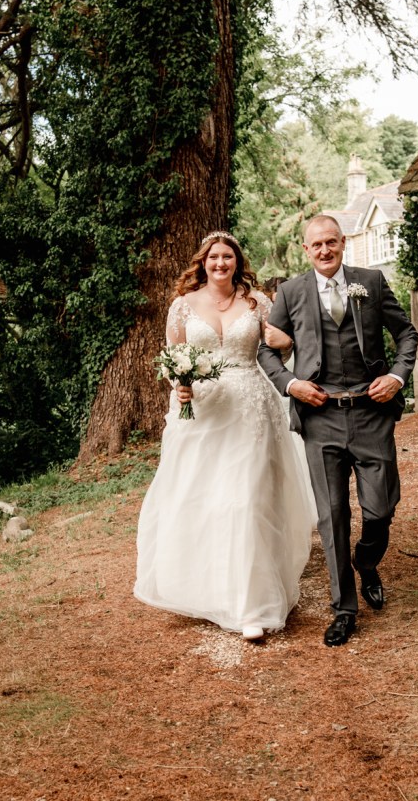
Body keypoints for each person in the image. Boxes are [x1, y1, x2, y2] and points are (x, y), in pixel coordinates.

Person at [134, 232, 316, 642]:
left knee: (249, 499)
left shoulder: (258, 302)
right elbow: (171, 361)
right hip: (202, 411)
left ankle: (250, 603)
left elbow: (278, 349)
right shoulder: (183, 306)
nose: (221, 263)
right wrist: (178, 386)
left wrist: (286, 341)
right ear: (203, 261)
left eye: (227, 257)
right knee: (206, 498)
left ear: (237, 261)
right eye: (214, 257)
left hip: (253, 406)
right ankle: (206, 588)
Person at [258, 215, 418, 647]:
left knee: (380, 508)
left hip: (371, 411)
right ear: (305, 249)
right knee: (331, 516)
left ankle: (367, 562)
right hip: (320, 415)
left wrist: (398, 377)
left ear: (343, 243)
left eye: (332, 242)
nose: (325, 250)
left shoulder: (371, 281)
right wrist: (292, 384)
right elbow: (266, 351)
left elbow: (405, 334)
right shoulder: (290, 293)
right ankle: (344, 609)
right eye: (317, 245)